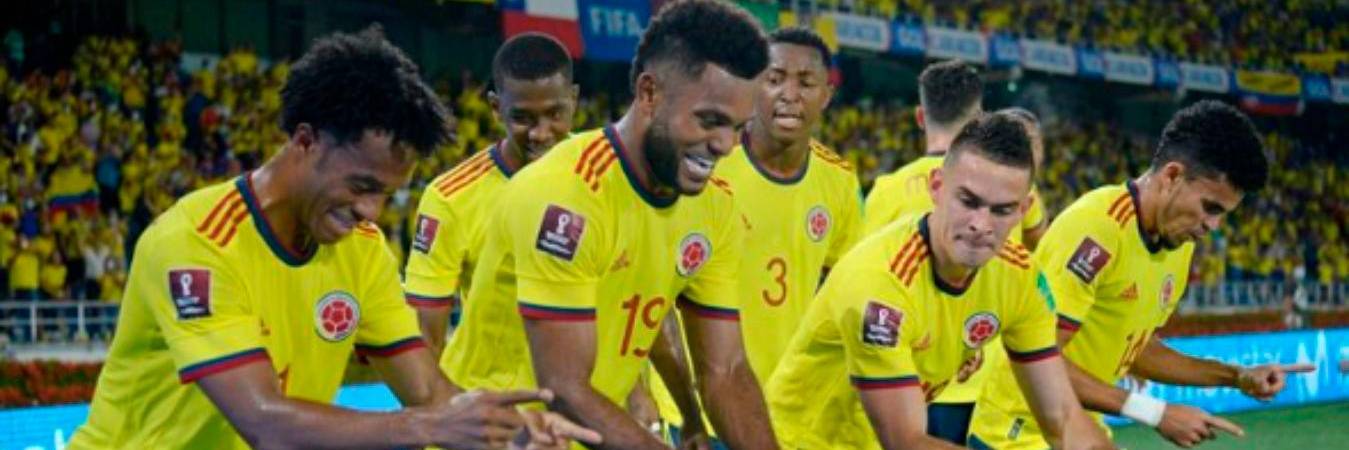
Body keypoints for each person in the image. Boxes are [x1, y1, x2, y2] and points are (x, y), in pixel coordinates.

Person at [69, 27, 597, 450]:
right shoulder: (195, 244)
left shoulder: (362, 250)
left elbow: (430, 392)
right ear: (305, 139)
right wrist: (426, 427)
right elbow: (265, 425)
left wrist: (515, 434)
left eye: (386, 195)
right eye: (361, 186)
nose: (370, 211)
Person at [441, 1, 779, 448]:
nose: (725, 146)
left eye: (739, 127)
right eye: (710, 120)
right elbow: (564, 386)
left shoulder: (715, 206)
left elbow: (726, 371)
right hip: (493, 439)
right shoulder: (565, 194)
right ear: (648, 93)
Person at [968, 100, 1315, 449]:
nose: (1213, 225)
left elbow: (1134, 346)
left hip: (1079, 428)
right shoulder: (1096, 230)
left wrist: (1236, 376)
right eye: (1210, 208)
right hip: (1017, 430)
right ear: (1172, 176)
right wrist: (1154, 412)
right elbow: (1035, 356)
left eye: (1223, 215)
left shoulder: (1178, 247)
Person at [766, 113, 1109, 450]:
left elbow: (1062, 416)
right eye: (969, 201)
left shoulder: (1020, 278)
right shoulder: (880, 283)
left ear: (1023, 211)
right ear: (936, 187)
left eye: (1002, 210)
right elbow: (907, 441)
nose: (981, 224)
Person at [645, 26, 862, 448]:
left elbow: (845, 296)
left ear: (827, 96)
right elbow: (656, 291)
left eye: (805, 82)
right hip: (703, 404)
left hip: (786, 407)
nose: (789, 94)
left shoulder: (839, 181)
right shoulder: (706, 166)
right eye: (775, 78)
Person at [405, 32, 578, 357]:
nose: (542, 133)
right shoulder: (450, 199)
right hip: (502, 396)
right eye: (523, 118)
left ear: (575, 99)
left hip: (599, 395)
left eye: (555, 114)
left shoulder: (607, 172)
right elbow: (424, 339)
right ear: (497, 109)